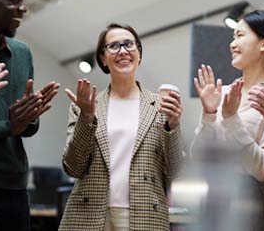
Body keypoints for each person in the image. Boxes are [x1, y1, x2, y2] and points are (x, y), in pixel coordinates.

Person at [59, 23, 183, 231]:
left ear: (139, 54)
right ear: (102, 58)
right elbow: (73, 167)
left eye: (129, 44)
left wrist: (174, 126)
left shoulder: (161, 106)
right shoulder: (86, 105)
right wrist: (87, 118)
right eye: (114, 46)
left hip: (145, 214)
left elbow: (174, 172)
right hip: (89, 215)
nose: (123, 51)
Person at [0, 0, 60, 231]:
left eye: (22, 1)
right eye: (13, 1)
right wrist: (9, 125)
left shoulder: (22, 52)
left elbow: (23, 128)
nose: (22, 8)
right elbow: (8, 126)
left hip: (16, 188)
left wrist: (29, 116)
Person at [191, 10, 264, 231]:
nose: (232, 44)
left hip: (250, 206)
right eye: (232, 37)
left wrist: (231, 120)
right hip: (212, 201)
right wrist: (209, 113)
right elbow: (198, 157)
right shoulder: (225, 92)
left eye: (240, 36)